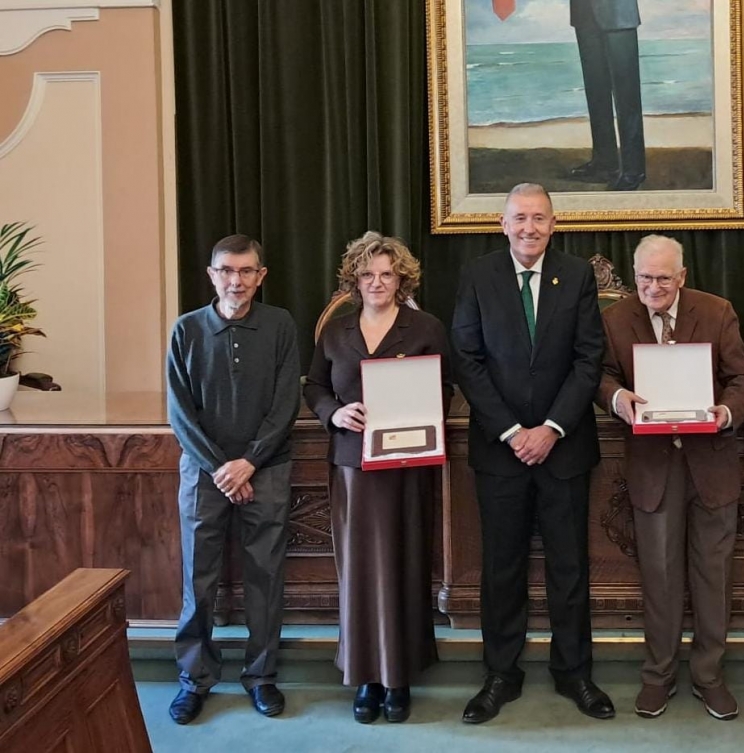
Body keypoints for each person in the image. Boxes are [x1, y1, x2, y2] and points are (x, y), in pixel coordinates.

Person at [451, 183, 613, 723]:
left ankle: (575, 673)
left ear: (553, 223)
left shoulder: (578, 274)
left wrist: (549, 428)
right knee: (502, 567)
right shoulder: (478, 275)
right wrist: (512, 432)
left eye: (539, 218)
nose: (529, 228)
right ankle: (501, 674)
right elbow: (467, 359)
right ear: (502, 224)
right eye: (519, 218)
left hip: (564, 448)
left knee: (569, 567)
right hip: (500, 452)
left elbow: (590, 360)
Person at [596, 235, 744, 720]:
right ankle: (658, 676)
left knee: (713, 576)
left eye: (664, 278)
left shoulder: (715, 311)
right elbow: (600, 376)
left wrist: (726, 413)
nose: (652, 287)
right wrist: (619, 399)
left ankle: (709, 677)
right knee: (660, 577)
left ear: (682, 277)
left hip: (712, 463)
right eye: (645, 277)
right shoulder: (615, 318)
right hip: (653, 468)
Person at [304, 232, 454, 724]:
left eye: (387, 274)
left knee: (404, 566)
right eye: (367, 275)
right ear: (354, 280)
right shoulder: (336, 331)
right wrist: (333, 414)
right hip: (352, 465)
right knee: (360, 572)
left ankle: (400, 676)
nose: (377, 283)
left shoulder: (425, 327)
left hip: (408, 466)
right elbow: (317, 387)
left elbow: (446, 387)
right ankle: (366, 677)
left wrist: (421, 415)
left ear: (402, 279)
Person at [166, 234, 301, 724]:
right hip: (204, 474)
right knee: (198, 579)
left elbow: (286, 402)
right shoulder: (187, 330)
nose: (236, 281)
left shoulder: (281, 325)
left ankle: (262, 677)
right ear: (211, 275)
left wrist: (250, 462)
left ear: (261, 276)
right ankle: (194, 680)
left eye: (247, 272)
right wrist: (222, 468)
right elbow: (180, 413)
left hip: (266, 470)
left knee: (265, 577)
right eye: (227, 270)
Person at [568, 0, 646, 191]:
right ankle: (604, 162)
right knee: (596, 93)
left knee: (627, 97)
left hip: (618, 15)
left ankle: (633, 170)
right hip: (584, 13)